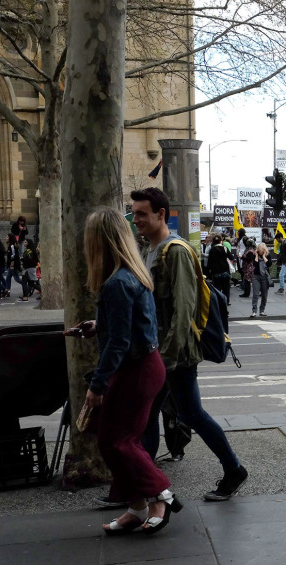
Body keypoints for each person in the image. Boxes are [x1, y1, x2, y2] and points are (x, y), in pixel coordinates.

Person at [131, 187, 249, 502]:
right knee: (153, 414)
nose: (136, 218)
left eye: (142, 213)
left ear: (160, 214)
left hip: (175, 353)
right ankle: (141, 485)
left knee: (188, 413)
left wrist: (166, 356)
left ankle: (233, 469)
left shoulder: (176, 251)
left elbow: (183, 310)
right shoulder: (149, 250)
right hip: (159, 350)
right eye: (134, 212)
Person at [71, 207, 181, 534]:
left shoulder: (116, 283)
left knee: (118, 442)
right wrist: (97, 325)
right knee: (116, 440)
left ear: (99, 241)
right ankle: (136, 506)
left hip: (136, 369)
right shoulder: (130, 274)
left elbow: (119, 342)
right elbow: (130, 326)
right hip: (144, 365)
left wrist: (98, 385)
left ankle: (159, 495)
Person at [245, 242, 270, 317]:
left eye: (262, 251)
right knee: (255, 294)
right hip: (256, 276)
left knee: (264, 295)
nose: (260, 252)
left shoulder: (268, 256)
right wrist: (256, 255)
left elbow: (269, 264)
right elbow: (254, 265)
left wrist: (264, 256)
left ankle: (262, 310)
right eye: (259, 250)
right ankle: (254, 311)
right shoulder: (255, 255)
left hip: (264, 277)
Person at [206, 234, 232, 304]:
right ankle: (226, 301)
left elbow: (210, 261)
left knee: (217, 288)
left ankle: (218, 301)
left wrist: (208, 271)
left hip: (216, 272)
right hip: (225, 271)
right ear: (221, 241)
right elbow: (231, 257)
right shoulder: (225, 249)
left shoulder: (212, 250)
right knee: (226, 288)